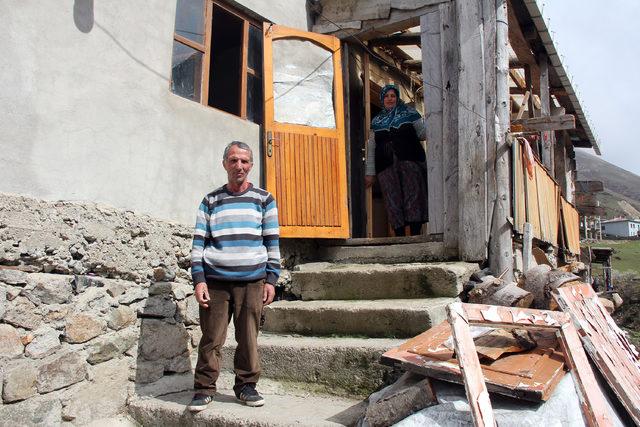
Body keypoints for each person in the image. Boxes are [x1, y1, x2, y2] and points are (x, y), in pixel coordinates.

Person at [188, 141, 280, 412]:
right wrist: (199, 279)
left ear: (251, 165)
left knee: (248, 337)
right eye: (233, 160)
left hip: (252, 280)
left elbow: (272, 241)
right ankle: (204, 388)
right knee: (211, 337)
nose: (238, 166)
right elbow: (198, 244)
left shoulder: (264, 199)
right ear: (225, 164)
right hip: (215, 280)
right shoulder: (211, 200)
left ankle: (246, 386)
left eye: (244, 161)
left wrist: (272, 279)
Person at [365, 84, 428, 236]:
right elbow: (372, 147)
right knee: (392, 199)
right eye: (386, 96)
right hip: (386, 167)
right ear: (382, 99)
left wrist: (430, 118)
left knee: (413, 197)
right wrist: (370, 172)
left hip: (410, 163)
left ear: (397, 98)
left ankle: (415, 234)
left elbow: (423, 135)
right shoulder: (376, 121)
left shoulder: (410, 113)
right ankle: (399, 236)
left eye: (393, 96)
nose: (390, 99)